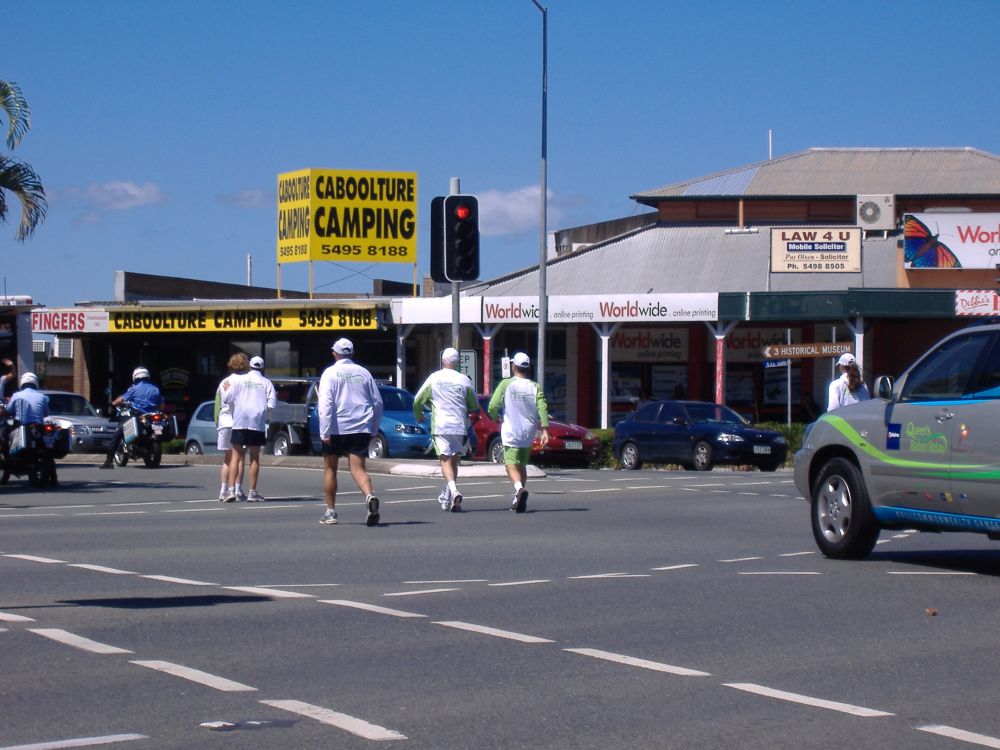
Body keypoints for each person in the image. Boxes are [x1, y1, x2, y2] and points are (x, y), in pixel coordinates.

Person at [317, 337, 383, 527]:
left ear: (334, 353)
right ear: (352, 353)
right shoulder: (364, 373)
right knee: (358, 468)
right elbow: (378, 402)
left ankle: (331, 512)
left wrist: (325, 431)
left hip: (337, 428)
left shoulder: (330, 373)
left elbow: (326, 403)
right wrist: (373, 428)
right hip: (360, 426)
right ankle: (369, 496)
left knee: (331, 468)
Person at [413, 346, 479, 512]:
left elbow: (417, 400)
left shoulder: (434, 378)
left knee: (444, 459)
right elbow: (474, 405)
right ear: (458, 364)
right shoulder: (464, 380)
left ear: (443, 361)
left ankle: (454, 491)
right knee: (454, 460)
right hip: (459, 425)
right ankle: (449, 497)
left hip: (441, 425)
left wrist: (419, 415)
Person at [487, 352, 550, 514]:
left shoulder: (506, 384)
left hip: (511, 429)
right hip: (528, 430)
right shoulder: (535, 387)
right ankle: (518, 497)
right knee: (521, 464)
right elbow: (542, 408)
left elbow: (493, 405)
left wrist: (495, 417)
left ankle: (519, 489)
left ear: (514, 366)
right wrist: (544, 430)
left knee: (510, 464)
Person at [221, 355, 275, 502]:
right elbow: (272, 404)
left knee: (236, 456)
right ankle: (252, 492)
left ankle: (231, 490)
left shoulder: (240, 380)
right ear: (262, 368)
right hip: (257, 423)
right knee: (254, 457)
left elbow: (227, 398)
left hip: (240, 421)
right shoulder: (266, 382)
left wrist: (226, 390)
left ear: (250, 366)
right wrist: (262, 409)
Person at [102, 366, 164, 469]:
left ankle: (108, 461)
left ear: (135, 377)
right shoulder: (155, 389)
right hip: (152, 417)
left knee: (117, 434)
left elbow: (121, 399)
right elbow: (161, 406)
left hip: (138, 416)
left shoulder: (134, 389)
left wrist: (113, 403)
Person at [214, 352, 250, 501]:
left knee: (227, 458)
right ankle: (236, 489)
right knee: (239, 457)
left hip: (224, 421)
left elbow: (217, 404)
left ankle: (223, 490)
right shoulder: (246, 381)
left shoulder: (224, 382)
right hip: (238, 421)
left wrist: (218, 423)